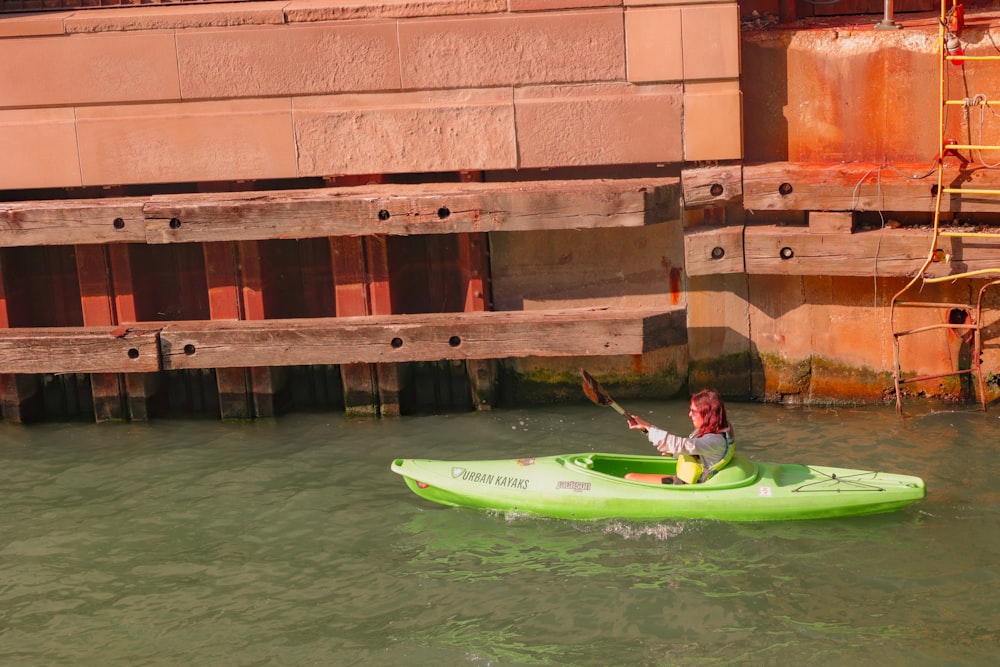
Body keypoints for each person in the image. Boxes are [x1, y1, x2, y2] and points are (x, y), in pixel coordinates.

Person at [625, 389, 734, 485]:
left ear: (707, 414)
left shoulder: (715, 440)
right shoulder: (716, 432)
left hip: (688, 485)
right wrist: (644, 428)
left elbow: (679, 444)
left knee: (629, 478)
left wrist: (647, 425)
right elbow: (690, 450)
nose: (690, 414)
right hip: (687, 481)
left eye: (694, 411)